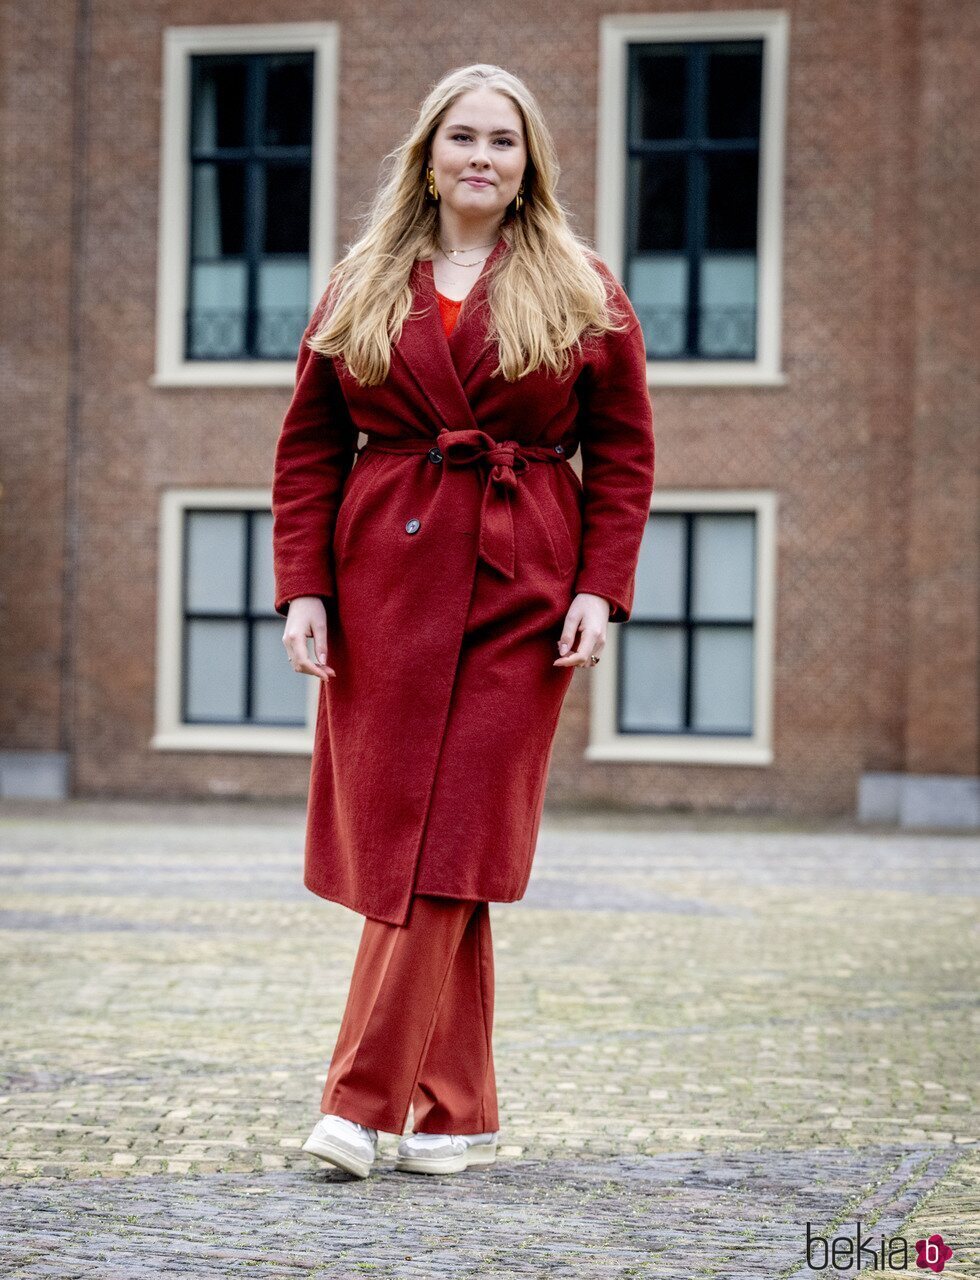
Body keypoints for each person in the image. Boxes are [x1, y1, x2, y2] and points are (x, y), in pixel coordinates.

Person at [271, 63, 655, 1179]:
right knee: (417, 834)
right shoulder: (360, 283)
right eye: (461, 138)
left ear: (527, 162)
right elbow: (306, 446)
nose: (481, 157)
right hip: (382, 579)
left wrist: (599, 584)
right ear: (427, 156)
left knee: (452, 836)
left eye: (503, 140)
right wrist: (304, 586)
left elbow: (624, 451)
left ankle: (356, 1099)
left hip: (523, 578)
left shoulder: (580, 284)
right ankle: (455, 1112)